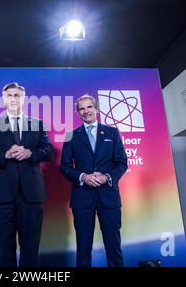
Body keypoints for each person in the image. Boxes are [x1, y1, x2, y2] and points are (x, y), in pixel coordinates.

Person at [0, 82, 54, 267]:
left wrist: (31, 153)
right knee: (4, 251)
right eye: (9, 95)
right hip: (1, 195)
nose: (13, 98)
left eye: (17, 95)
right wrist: (4, 154)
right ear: (3, 100)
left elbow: (48, 151)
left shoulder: (37, 124)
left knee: (30, 250)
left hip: (32, 195)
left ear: (24, 99)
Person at [59, 94, 128, 267]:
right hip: (82, 198)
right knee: (83, 248)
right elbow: (65, 167)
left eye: (89, 107)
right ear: (78, 113)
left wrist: (106, 177)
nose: (86, 111)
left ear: (96, 109)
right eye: (82, 108)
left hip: (109, 198)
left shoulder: (112, 132)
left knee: (113, 247)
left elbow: (121, 163)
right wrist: (83, 177)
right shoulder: (71, 135)